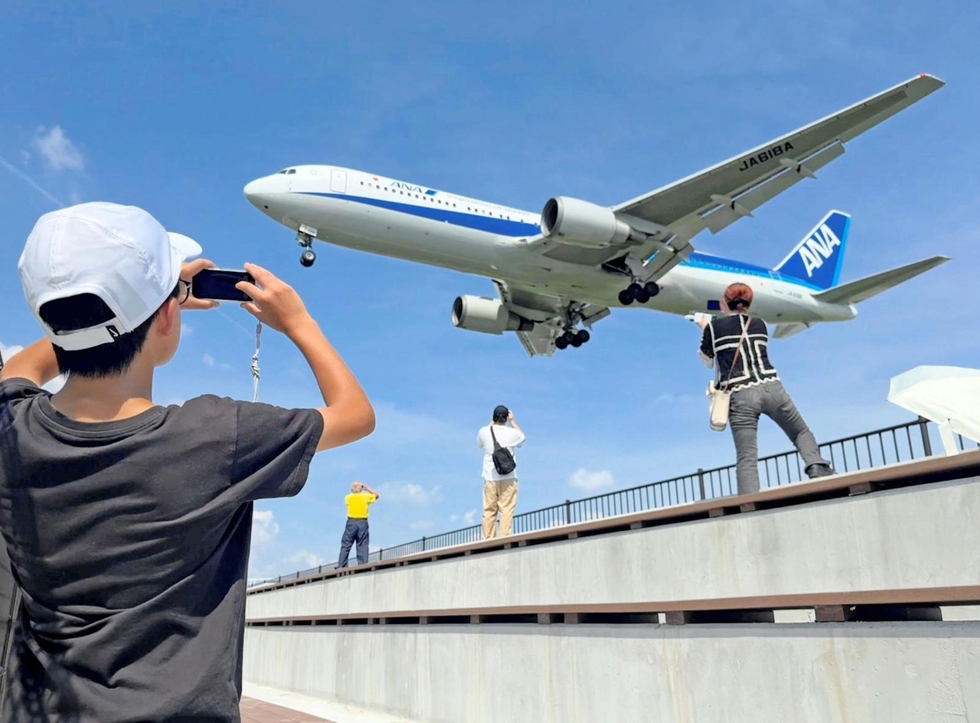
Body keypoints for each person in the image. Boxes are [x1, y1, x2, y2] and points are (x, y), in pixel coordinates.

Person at [0, 202, 375, 722]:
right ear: (167, 316)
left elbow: (19, 368)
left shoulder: (12, 431)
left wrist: (133, 306)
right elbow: (355, 415)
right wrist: (298, 322)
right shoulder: (217, 436)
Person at [698, 282, 834, 495]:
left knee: (746, 456)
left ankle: (749, 504)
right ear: (749, 304)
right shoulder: (760, 323)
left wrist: (704, 327)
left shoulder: (714, 329)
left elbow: (707, 360)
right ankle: (816, 464)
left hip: (740, 394)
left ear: (724, 302)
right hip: (772, 387)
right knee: (799, 431)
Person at [477, 405, 525, 539]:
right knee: (507, 510)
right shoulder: (512, 433)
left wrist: (491, 422)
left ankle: (488, 540)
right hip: (509, 477)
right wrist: (512, 421)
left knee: (489, 510)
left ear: (493, 417)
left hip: (490, 478)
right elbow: (522, 438)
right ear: (506, 418)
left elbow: (480, 444)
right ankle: (504, 539)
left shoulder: (484, 431)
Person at [338, 481, 379, 568]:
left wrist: (356, 488)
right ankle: (363, 564)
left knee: (346, 544)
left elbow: (352, 493)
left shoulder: (348, 498)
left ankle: (341, 565)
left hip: (351, 522)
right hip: (362, 522)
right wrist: (366, 488)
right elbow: (377, 495)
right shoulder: (365, 497)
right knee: (362, 543)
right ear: (360, 489)